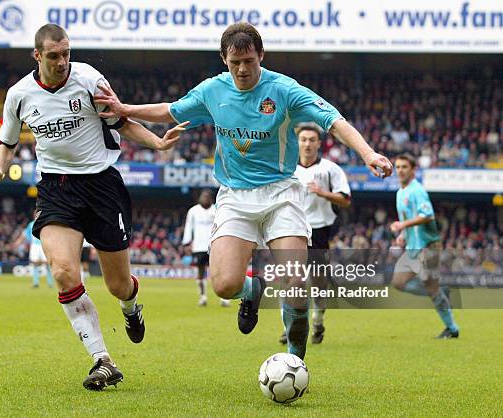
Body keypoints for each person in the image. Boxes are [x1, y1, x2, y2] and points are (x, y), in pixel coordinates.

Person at [95, 22, 392, 360]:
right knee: (224, 285)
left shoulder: (284, 89)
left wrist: (368, 153)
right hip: (235, 197)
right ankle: (254, 290)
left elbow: (333, 120)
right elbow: (170, 110)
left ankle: (295, 358)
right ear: (224, 59)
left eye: (249, 61)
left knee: (295, 285)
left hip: (281, 194)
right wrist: (125, 109)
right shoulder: (213, 91)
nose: (242, 69)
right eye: (235, 62)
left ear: (261, 56)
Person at [0, 23, 187, 391]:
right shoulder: (19, 94)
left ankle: (131, 309)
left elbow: (122, 121)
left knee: (118, 285)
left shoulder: (89, 80)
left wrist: (159, 144)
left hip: (102, 185)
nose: (62, 62)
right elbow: (6, 142)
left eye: (66, 53)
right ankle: (102, 360)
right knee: (63, 272)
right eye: (53, 56)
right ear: (37, 56)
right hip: (57, 188)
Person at [279, 124, 351, 345]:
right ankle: (289, 327)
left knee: (318, 283)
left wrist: (323, 193)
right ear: (297, 142)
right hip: (292, 228)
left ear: (319, 143)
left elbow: (346, 200)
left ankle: (318, 321)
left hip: (319, 230)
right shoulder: (287, 168)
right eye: (303, 139)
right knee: (288, 279)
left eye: (312, 140)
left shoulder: (331, 169)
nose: (307, 144)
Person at [390, 154, 459, 339]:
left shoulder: (417, 190)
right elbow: (407, 218)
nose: (400, 170)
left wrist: (403, 226)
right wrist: (403, 235)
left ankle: (452, 328)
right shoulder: (400, 192)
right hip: (413, 246)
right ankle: (441, 292)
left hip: (429, 245)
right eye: (398, 167)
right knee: (398, 282)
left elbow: (427, 215)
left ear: (413, 170)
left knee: (430, 285)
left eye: (404, 167)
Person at [182, 189, 230, 307]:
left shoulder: (217, 210)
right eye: (203, 196)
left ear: (211, 199)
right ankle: (203, 297)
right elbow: (189, 227)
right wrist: (186, 243)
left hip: (214, 245)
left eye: (207, 197)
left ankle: (223, 298)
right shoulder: (193, 211)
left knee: (218, 271)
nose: (204, 199)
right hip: (198, 247)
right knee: (200, 271)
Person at [13, 216, 53, 288]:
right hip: (34, 246)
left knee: (47, 263)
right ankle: (36, 282)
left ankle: (50, 283)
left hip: (44, 244)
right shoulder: (31, 224)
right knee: (34, 263)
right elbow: (24, 235)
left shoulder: (45, 223)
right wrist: (17, 243)